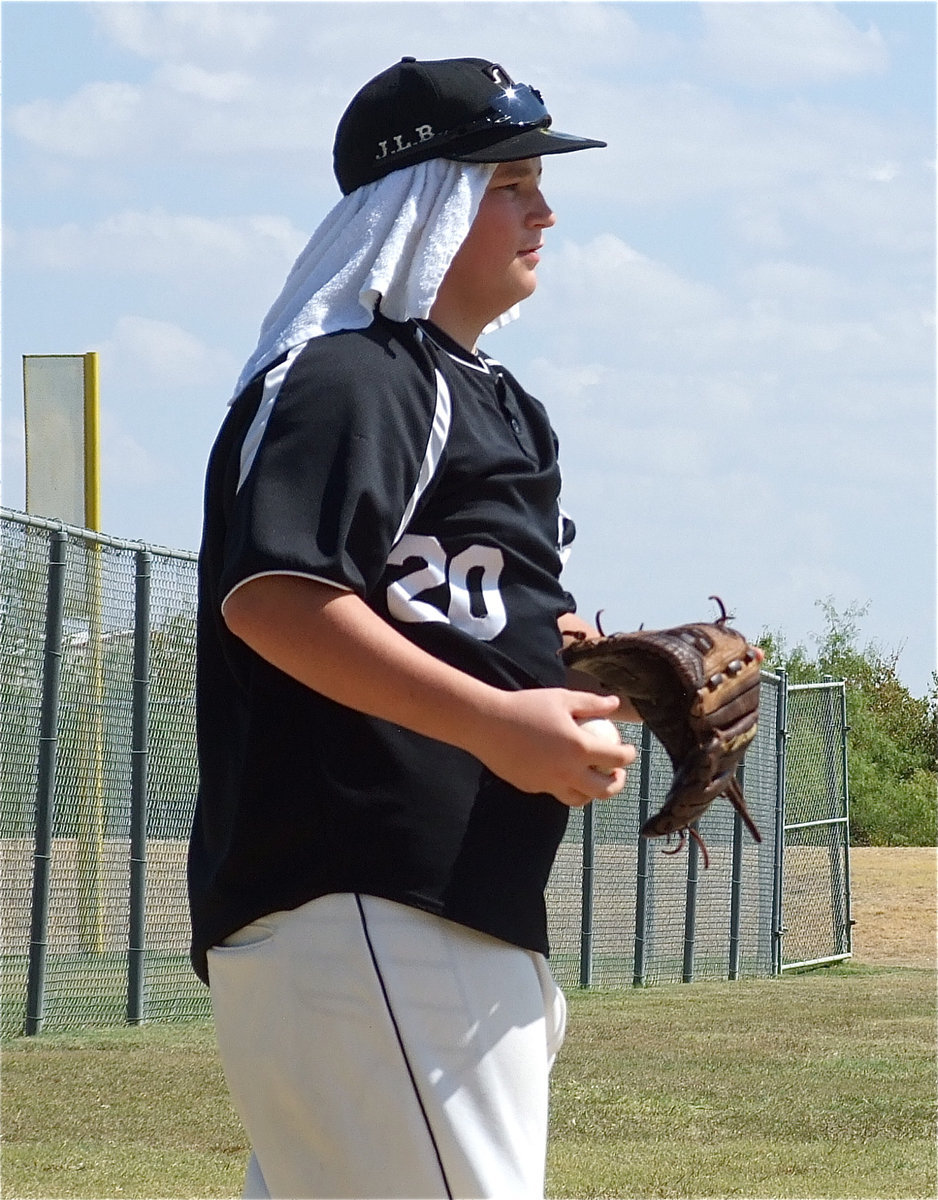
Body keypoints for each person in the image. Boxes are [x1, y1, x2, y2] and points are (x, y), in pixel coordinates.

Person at [188, 55, 639, 1200]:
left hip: (437, 917)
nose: (543, 207)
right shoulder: (354, 379)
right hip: (369, 899)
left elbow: (454, 598)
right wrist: (496, 720)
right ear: (422, 201)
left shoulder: (486, 394)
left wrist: (571, 655)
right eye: (506, 183)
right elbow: (276, 598)